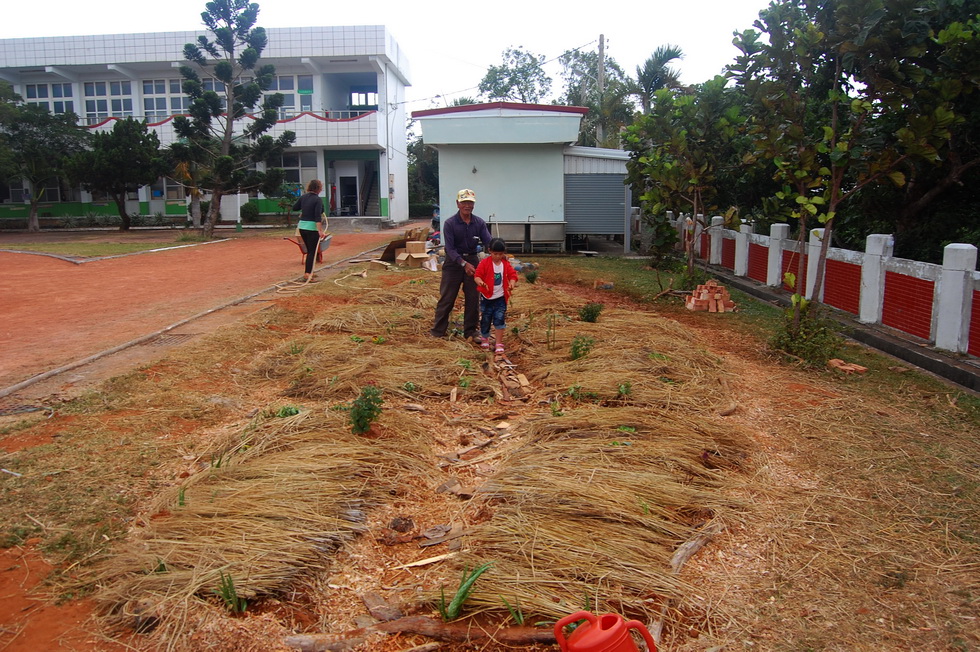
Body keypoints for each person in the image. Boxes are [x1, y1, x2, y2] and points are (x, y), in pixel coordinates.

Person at [430, 188, 492, 339]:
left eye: (470, 202)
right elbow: (449, 249)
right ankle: (438, 332)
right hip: (453, 263)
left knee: (473, 298)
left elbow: (488, 242)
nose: (467, 205)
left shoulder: (479, 223)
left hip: (472, 260)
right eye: (464, 202)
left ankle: (471, 332)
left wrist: (498, 252)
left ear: (473, 205)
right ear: (458, 204)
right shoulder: (450, 223)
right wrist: (463, 264)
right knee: (447, 297)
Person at [473, 237, 518, 355]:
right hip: (487, 297)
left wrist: (512, 283)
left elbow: (513, 275)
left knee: (499, 319)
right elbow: (477, 275)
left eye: (500, 254)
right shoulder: (485, 263)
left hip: (500, 298)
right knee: (486, 319)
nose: (497, 256)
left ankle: (498, 342)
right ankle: (485, 337)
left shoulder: (505, 264)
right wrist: (480, 282)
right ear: (490, 251)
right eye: (495, 254)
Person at [293, 179, 328, 281]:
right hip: (311, 228)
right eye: (321, 187)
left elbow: (295, 208)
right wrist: (320, 231)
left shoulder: (303, 197)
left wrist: (304, 210)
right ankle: (307, 274)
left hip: (302, 227)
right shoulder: (317, 200)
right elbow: (318, 216)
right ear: (318, 188)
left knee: (309, 251)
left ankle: (310, 272)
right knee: (312, 252)